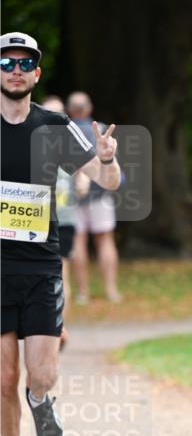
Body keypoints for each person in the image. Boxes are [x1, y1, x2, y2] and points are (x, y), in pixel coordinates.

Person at [1, 31, 121, 436]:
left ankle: (39, 400)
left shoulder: (53, 126)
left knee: (42, 374)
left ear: (36, 73)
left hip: (40, 266)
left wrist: (107, 159)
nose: (14, 71)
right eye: (6, 63)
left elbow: (106, 180)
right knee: (4, 376)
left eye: (23, 63)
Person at [66, 90, 122, 303]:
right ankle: (111, 291)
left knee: (78, 241)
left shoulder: (64, 130)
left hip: (72, 197)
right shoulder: (103, 130)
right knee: (105, 239)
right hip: (100, 193)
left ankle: (83, 293)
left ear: (69, 110)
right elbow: (114, 168)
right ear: (89, 108)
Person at [41, 95, 76, 347]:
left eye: (59, 112)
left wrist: (83, 182)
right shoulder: (31, 140)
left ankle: (61, 325)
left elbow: (86, 172)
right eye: (49, 112)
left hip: (63, 221)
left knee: (63, 273)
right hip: (35, 222)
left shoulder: (71, 144)